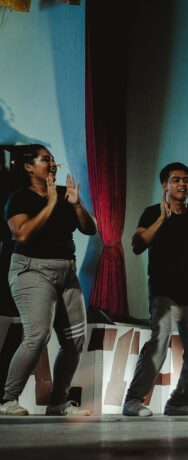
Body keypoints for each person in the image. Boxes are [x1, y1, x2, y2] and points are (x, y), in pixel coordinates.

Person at [122, 162, 188, 417]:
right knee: (159, 342)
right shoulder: (151, 212)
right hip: (162, 292)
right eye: (176, 180)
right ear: (165, 185)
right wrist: (161, 219)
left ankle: (178, 402)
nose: (183, 184)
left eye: (186, 180)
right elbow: (137, 244)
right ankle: (133, 400)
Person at [0, 145, 96, 416]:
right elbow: (22, 235)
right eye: (46, 160)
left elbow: (91, 228)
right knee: (38, 334)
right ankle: (8, 400)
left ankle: (58, 402)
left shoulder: (67, 195)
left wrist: (76, 205)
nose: (52, 164)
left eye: (54, 160)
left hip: (67, 273)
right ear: (29, 167)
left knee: (75, 341)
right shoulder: (18, 198)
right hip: (32, 270)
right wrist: (51, 203)